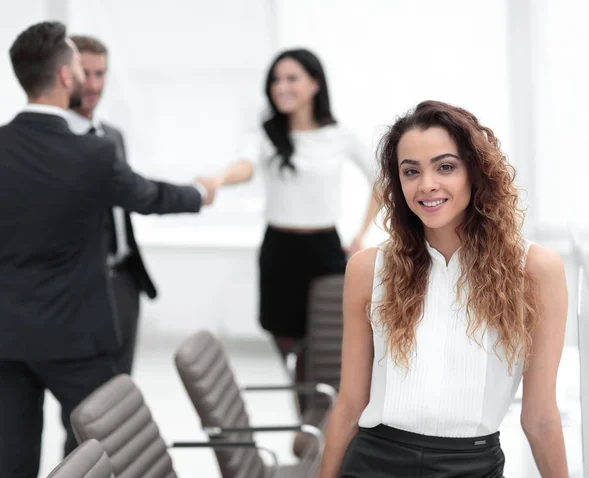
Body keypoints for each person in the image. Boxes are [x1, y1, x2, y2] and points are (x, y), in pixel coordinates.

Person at [0, 21, 216, 478]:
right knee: (107, 446)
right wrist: (200, 192)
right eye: (80, 66)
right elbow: (149, 196)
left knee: (11, 458)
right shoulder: (90, 154)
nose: (86, 76)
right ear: (64, 76)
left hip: (7, 334)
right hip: (73, 335)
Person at [319, 100, 569, 477]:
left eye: (445, 167)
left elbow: (540, 417)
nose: (427, 185)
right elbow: (351, 402)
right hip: (373, 462)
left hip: (472, 466)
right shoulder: (368, 268)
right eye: (411, 171)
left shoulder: (536, 270)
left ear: (476, 172)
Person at [199, 49, 378, 393]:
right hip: (280, 250)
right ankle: (308, 416)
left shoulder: (339, 136)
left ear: (314, 83)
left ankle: (331, 417)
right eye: (275, 80)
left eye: (291, 78)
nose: (281, 86)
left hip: (325, 250)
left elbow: (383, 182)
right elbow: (245, 166)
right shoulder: (265, 134)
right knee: (289, 348)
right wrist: (219, 181)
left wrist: (360, 236)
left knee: (330, 345)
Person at [66, 35, 155, 377]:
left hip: (123, 279)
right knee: (85, 398)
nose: (92, 84)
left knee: (121, 389)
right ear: (64, 75)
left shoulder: (113, 136)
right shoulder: (53, 141)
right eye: (83, 73)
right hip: (80, 284)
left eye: (100, 74)